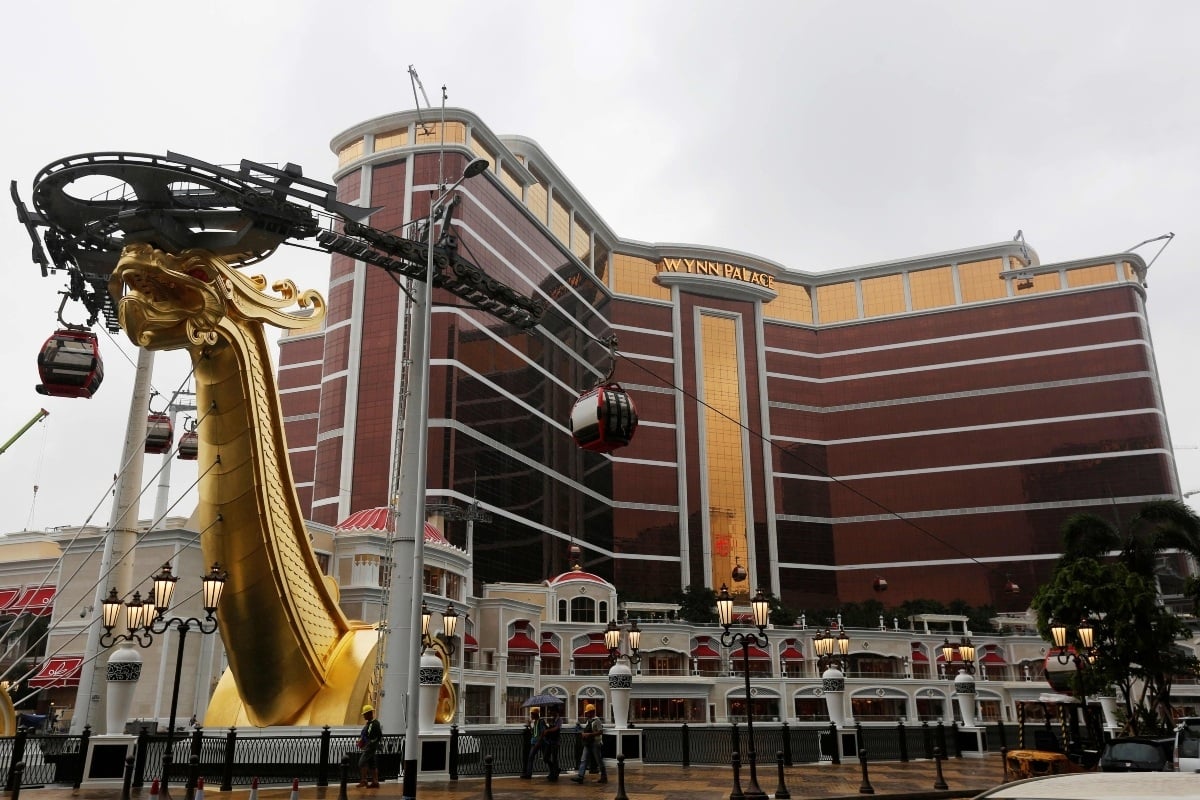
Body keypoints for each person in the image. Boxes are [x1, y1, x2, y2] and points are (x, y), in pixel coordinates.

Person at [571, 704, 607, 784]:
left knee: (598, 760)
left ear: (592, 712)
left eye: (588, 712)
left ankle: (604, 776)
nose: (587, 714)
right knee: (583, 759)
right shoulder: (589, 720)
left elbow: (601, 731)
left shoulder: (597, 720)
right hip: (588, 743)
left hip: (595, 743)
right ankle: (580, 776)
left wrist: (589, 735)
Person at [357, 704, 382, 788]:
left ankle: (364, 780)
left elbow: (375, 735)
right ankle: (375, 781)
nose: (364, 716)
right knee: (372, 764)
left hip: (370, 747)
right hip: (371, 746)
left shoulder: (373, 724)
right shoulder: (371, 723)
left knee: (361, 762)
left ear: (369, 713)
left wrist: (368, 743)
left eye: (365, 714)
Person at [521, 708, 545, 778]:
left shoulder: (541, 721)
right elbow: (534, 732)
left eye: (532, 714)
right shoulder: (535, 722)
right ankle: (528, 774)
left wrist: (538, 742)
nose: (531, 716)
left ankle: (554, 769)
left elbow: (542, 732)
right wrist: (529, 726)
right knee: (531, 757)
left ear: (535, 714)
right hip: (534, 742)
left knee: (545, 758)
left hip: (538, 742)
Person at [542, 706, 562, 781]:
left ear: (556, 712)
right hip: (549, 741)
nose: (550, 712)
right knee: (545, 758)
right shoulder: (552, 719)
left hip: (555, 742)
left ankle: (554, 774)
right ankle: (555, 769)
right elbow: (550, 728)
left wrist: (548, 730)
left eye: (551, 711)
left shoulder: (559, 720)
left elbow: (557, 728)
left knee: (554, 758)